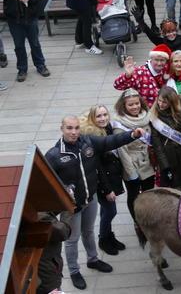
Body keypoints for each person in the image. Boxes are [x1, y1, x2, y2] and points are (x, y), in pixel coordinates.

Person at [45, 116, 144, 290]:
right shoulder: (54, 155)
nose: (74, 132)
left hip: (91, 199)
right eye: (69, 128)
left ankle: (93, 259)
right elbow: (47, 182)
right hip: (71, 207)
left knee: (89, 232)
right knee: (71, 240)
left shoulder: (88, 142)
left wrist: (132, 135)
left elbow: (110, 141)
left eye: (76, 128)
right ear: (62, 129)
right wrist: (64, 190)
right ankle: (74, 271)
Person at [79, 105, 125, 257]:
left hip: (111, 177)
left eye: (105, 114)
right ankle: (103, 239)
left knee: (108, 210)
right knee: (110, 211)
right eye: (98, 116)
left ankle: (109, 235)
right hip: (101, 183)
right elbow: (97, 167)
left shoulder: (108, 128)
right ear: (92, 118)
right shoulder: (93, 138)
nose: (103, 118)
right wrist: (107, 190)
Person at [0, 0, 49, 83]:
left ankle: (40, 65)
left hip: (30, 15)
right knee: (19, 45)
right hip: (13, 18)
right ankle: (22, 69)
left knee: (34, 43)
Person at [111, 88, 155, 230]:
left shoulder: (146, 116)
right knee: (134, 196)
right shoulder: (120, 124)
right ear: (124, 106)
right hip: (132, 164)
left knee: (149, 193)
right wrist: (131, 173)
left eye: (137, 103)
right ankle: (138, 222)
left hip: (148, 162)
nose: (135, 107)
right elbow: (122, 151)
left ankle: (148, 217)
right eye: (130, 105)